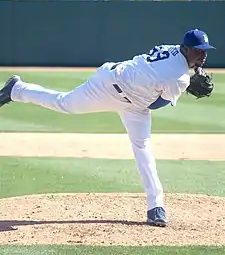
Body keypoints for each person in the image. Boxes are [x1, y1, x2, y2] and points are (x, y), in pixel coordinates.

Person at [0, 29, 215, 227]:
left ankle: (155, 206)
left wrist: (191, 73)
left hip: (131, 96)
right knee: (64, 103)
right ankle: (17, 90)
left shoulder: (174, 50)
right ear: (185, 49)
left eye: (205, 51)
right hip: (107, 87)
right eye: (198, 51)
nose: (202, 56)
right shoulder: (178, 77)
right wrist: (187, 82)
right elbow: (155, 104)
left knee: (143, 147)